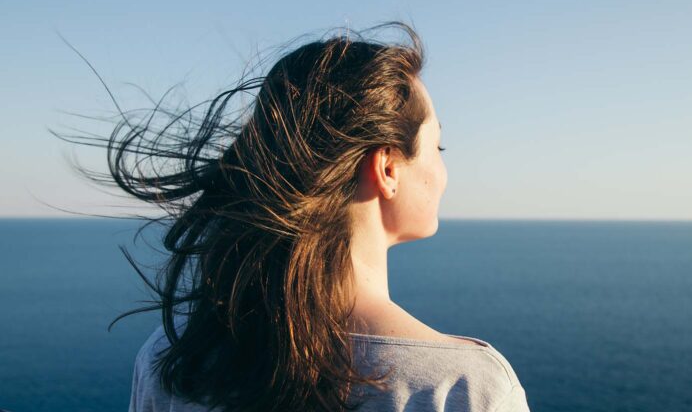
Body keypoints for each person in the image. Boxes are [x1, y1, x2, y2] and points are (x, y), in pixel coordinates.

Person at [64, 20, 530, 411]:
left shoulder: (174, 360)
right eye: (438, 146)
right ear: (387, 167)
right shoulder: (465, 390)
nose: (444, 170)